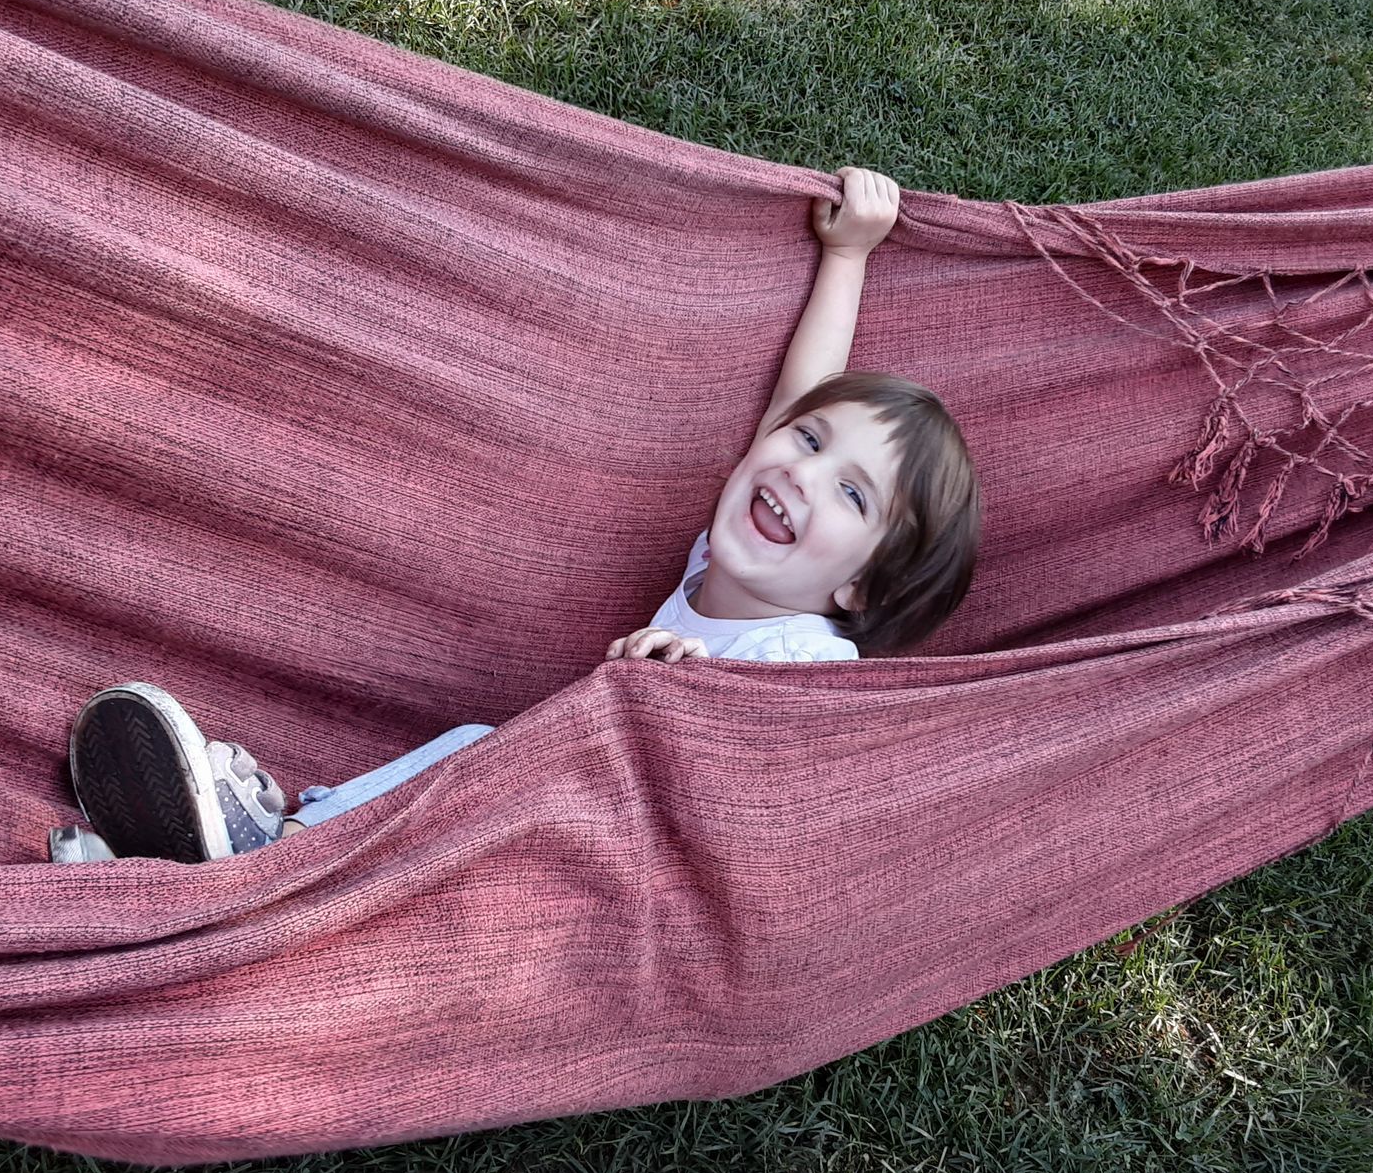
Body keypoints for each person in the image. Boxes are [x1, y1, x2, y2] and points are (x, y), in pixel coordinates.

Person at [50, 168, 982, 863]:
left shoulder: (807, 662)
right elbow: (803, 394)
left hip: (588, 872)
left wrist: (691, 708)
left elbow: (787, 796)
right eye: (808, 447)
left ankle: (267, 855)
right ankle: (252, 853)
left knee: (477, 760)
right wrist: (848, 255)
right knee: (471, 753)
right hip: (533, 809)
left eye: (852, 495)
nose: (804, 476)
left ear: (855, 586)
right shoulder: (718, 560)